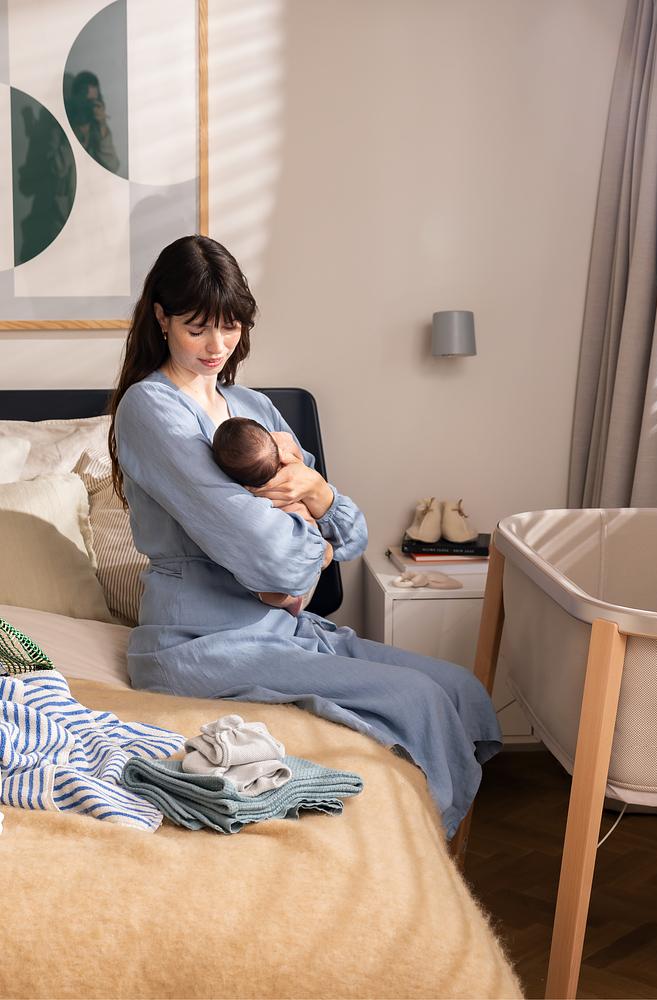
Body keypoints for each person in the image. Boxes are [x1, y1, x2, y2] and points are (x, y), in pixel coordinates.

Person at [107, 235, 502, 839]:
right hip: (199, 642)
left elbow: (349, 531)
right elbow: (268, 555)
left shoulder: (253, 406)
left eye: (231, 327)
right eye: (197, 329)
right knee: (418, 699)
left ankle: (445, 841)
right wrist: (311, 543)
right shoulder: (150, 408)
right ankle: (428, 853)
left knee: (458, 688)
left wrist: (318, 501)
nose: (217, 347)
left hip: (284, 629)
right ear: (161, 318)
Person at [211, 416, 319, 616]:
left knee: (257, 580)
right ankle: (292, 596)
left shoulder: (247, 488)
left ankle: (288, 599)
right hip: (305, 531)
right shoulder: (286, 455)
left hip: (301, 546)